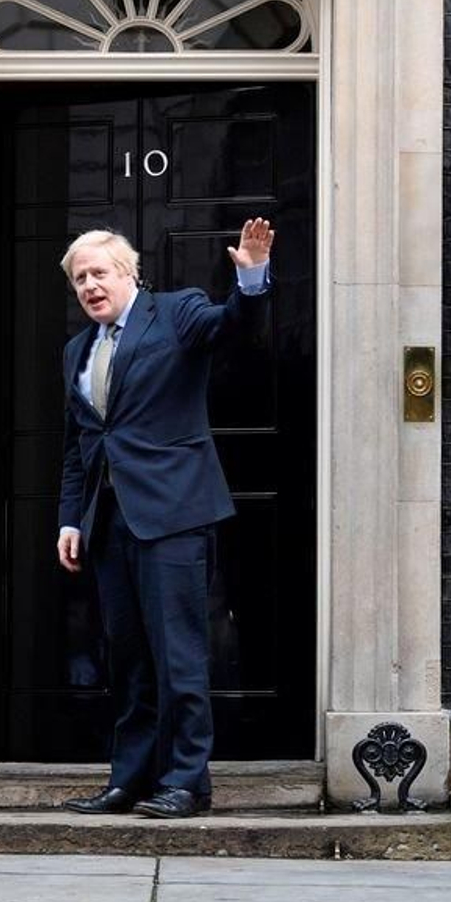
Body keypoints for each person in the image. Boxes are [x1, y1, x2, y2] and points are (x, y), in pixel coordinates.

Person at [56, 219, 274, 820]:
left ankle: (186, 782)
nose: (90, 287)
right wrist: (69, 520)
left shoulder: (175, 313)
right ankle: (129, 779)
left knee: (179, 655)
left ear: (129, 273)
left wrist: (250, 276)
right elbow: (79, 445)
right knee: (128, 660)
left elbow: (235, 326)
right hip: (108, 523)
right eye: (80, 280)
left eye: (99, 273)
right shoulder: (78, 350)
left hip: (174, 513)